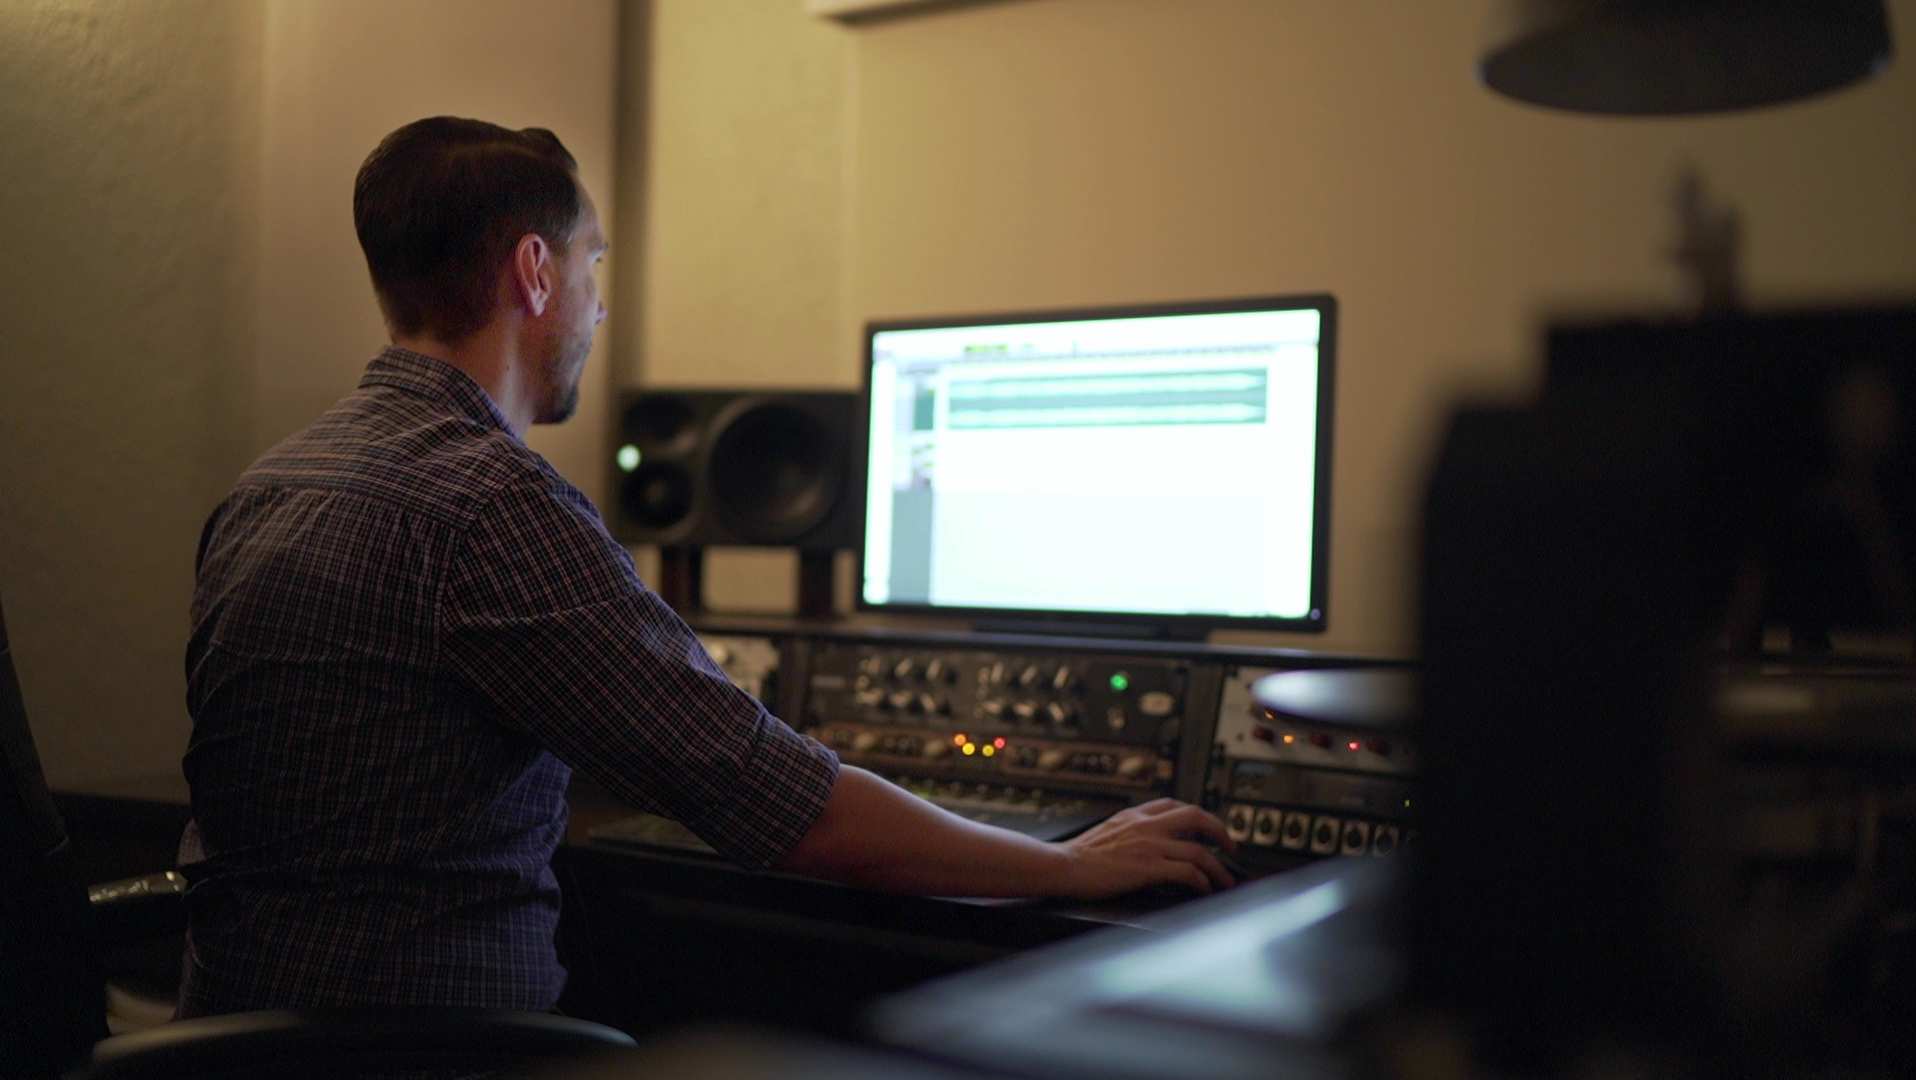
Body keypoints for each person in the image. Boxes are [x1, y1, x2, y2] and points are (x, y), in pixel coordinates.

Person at [175, 116, 1236, 1018]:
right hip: (427, 1051)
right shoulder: (492, 502)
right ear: (535, 273)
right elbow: (783, 804)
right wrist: (1069, 861)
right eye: (592, 265)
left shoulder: (274, 479)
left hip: (237, 1023)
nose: (598, 305)